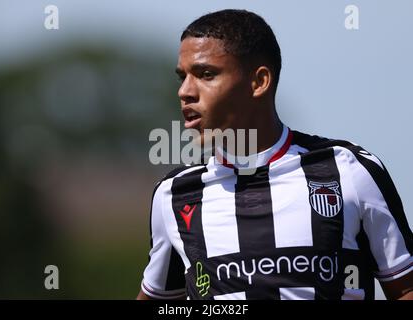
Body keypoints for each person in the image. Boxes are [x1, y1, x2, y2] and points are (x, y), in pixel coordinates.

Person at [137, 9, 412, 300]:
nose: (185, 91)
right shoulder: (175, 195)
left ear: (259, 82)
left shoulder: (349, 171)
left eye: (206, 74)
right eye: (183, 76)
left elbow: (405, 287)